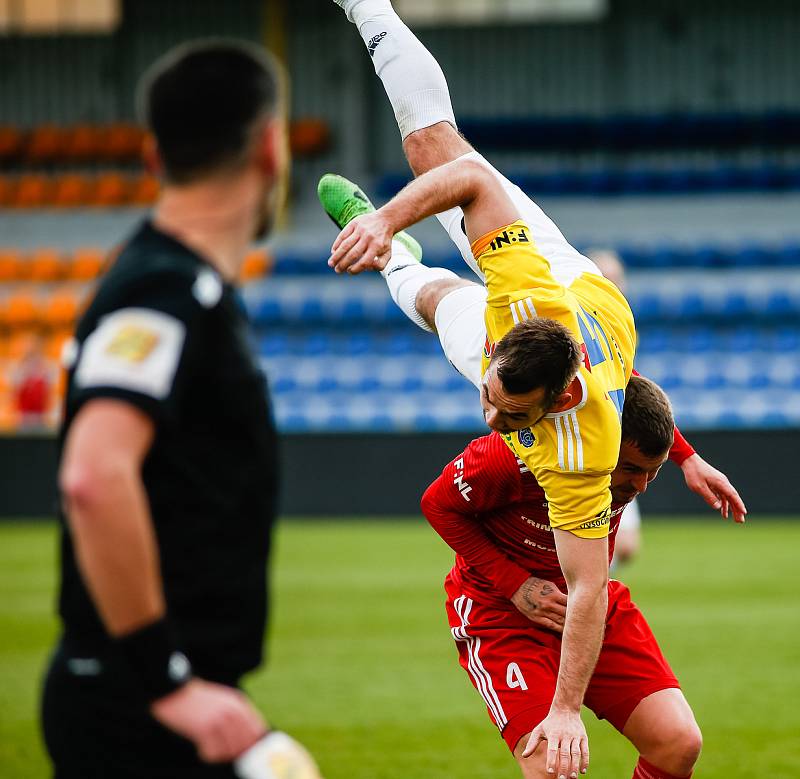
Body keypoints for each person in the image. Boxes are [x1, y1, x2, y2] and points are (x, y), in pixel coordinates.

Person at [322, 3, 746, 777]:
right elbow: (471, 179)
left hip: (578, 323)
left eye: (508, 412)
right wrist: (383, 217)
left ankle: (401, 263)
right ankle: (367, 8)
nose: (487, 416)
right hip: (562, 287)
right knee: (433, 150)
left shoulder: (579, 453)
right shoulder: (522, 301)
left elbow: (588, 590)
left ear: (554, 403)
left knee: (433, 294)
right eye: (491, 396)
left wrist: (562, 708)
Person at [43, 40, 288, 779]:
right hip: (138, 705)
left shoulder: (183, 289)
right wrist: (167, 678)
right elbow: (93, 473)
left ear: (154, 156)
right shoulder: (166, 292)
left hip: (151, 696)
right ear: (271, 149)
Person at [421, 375, 704, 779]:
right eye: (630, 470)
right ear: (599, 438)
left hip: (587, 603)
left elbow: (622, 380)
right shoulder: (511, 457)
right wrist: (515, 584)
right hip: (502, 615)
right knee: (552, 766)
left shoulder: (619, 463)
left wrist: (688, 457)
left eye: (652, 473)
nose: (639, 486)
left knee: (678, 743)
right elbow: (437, 504)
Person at [584, 248, 641, 566]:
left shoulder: (621, 323)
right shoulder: (573, 320)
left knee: (625, 549)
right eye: (607, 278)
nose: (614, 285)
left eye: (617, 279)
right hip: (576, 451)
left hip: (614, 449)